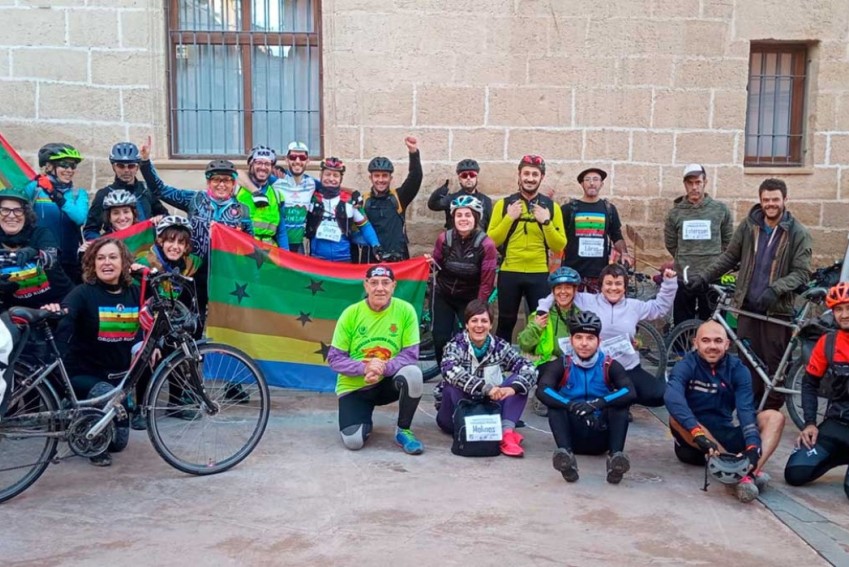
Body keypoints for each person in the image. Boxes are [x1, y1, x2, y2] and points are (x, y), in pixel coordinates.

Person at [688, 178, 812, 411]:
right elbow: (729, 257)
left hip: (776, 310)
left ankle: (770, 413)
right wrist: (704, 276)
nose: (770, 204)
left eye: (775, 199)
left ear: (785, 200)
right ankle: (750, 411)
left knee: (773, 368)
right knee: (748, 364)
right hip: (747, 306)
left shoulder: (798, 233)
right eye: (766, 200)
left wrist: (776, 289)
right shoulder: (749, 226)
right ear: (760, 200)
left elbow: (802, 273)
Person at [42, 239, 142, 467]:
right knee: (105, 395)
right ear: (92, 264)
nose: (107, 262)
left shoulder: (136, 292)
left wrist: (147, 344)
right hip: (83, 374)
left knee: (118, 443)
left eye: (113, 257)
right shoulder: (83, 293)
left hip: (118, 379)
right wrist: (54, 311)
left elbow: (148, 322)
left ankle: (89, 416)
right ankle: (76, 414)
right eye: (100, 258)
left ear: (124, 262)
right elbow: (65, 314)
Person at [665, 320, 785, 502]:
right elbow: (672, 397)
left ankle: (748, 473)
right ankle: (733, 470)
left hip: (726, 436)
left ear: (727, 344)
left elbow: (745, 411)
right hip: (694, 442)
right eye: (706, 341)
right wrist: (698, 433)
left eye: (718, 341)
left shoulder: (738, 369)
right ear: (695, 343)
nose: (712, 346)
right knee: (675, 417)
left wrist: (753, 446)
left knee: (774, 417)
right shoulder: (685, 365)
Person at [138, 138, 253, 321]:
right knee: (194, 317)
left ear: (233, 184)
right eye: (216, 179)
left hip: (225, 273)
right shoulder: (194, 199)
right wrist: (145, 162)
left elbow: (251, 247)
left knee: (224, 318)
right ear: (208, 182)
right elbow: (161, 191)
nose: (221, 184)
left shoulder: (242, 211)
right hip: (193, 269)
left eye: (226, 180)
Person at [539, 263, 674, 407]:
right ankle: (613, 400)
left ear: (624, 287)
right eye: (608, 283)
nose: (613, 288)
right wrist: (542, 309)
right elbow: (561, 293)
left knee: (658, 395)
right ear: (601, 286)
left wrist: (669, 283)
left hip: (627, 367)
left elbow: (659, 308)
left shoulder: (634, 306)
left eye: (618, 284)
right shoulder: (588, 300)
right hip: (596, 367)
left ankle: (618, 398)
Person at [327, 265, 425, 454]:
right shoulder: (351, 313)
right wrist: (365, 368)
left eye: (385, 283)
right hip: (355, 387)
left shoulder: (406, 311)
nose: (380, 288)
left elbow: (410, 354)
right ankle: (363, 419)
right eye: (374, 283)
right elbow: (335, 359)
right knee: (353, 442)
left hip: (387, 382)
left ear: (393, 286)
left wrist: (382, 368)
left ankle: (403, 430)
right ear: (366, 285)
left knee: (413, 374)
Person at [536, 311, 636, 484]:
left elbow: (630, 391)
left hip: (601, 433)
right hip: (572, 435)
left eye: (590, 338)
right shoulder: (562, 364)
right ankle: (566, 459)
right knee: (555, 406)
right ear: (571, 340)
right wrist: (570, 405)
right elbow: (543, 390)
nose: (584, 343)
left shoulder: (609, 365)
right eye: (579, 337)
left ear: (599, 341)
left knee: (620, 406)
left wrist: (599, 403)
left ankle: (615, 460)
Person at [437, 299, 537, 457]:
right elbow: (449, 370)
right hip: (457, 413)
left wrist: (512, 389)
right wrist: (486, 388)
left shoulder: (500, 346)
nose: (479, 325)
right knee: (452, 384)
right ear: (467, 324)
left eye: (484, 321)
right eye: (474, 320)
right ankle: (474, 430)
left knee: (520, 382)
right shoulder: (455, 345)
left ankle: (506, 434)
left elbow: (529, 368)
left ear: (491, 325)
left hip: (490, 411)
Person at [130, 215, 203, 430]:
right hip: (143, 322)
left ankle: (176, 401)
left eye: (181, 242)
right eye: (170, 241)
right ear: (160, 241)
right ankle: (141, 406)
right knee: (149, 353)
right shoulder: (144, 263)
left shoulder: (191, 264)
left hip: (170, 321)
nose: (175, 247)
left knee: (182, 348)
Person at [488, 155, 566, 342]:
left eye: (535, 174)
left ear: (541, 177)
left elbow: (560, 245)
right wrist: (509, 218)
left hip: (538, 273)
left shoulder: (551, 208)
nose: (530, 178)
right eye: (526, 173)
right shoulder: (504, 204)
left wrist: (546, 222)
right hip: (509, 272)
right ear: (519, 175)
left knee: (539, 322)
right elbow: (491, 241)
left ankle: (539, 366)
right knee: (506, 321)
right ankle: (500, 365)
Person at [784, 282, 849, 499]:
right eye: (839, 309)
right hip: (836, 424)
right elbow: (809, 383)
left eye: (848, 308)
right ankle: (839, 455)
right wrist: (810, 423)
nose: (844, 314)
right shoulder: (827, 343)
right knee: (795, 473)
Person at [430, 195, 498, 368]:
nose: (463, 219)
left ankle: (468, 374)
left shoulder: (486, 245)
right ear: (453, 218)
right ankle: (445, 376)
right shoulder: (444, 239)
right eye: (459, 215)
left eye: (468, 215)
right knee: (440, 339)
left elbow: (487, 281)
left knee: (471, 339)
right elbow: (435, 265)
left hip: (470, 298)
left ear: (475, 217)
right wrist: (427, 264)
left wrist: (479, 307)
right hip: (444, 294)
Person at [664, 164, 733, 326]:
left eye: (698, 182)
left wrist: (714, 263)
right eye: (690, 183)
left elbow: (728, 242)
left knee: (712, 322)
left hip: (713, 277)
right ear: (685, 185)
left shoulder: (720, 210)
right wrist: (686, 258)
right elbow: (671, 243)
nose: (694, 187)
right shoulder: (675, 213)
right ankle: (681, 350)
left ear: (705, 182)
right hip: (685, 276)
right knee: (683, 323)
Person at [25, 143, 89, 283]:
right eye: (64, 165)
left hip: (69, 261)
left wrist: (54, 194)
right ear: (48, 166)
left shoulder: (78, 194)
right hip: (40, 258)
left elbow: (79, 218)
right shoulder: (34, 189)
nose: (69, 170)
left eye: (73, 166)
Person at [0, 188, 73, 309]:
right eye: (5, 210)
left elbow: (52, 257)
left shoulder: (40, 233)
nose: (11, 216)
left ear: (26, 214)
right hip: (15, 311)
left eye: (18, 210)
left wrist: (35, 252)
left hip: (57, 303)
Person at [561, 167, 631, 292]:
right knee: (573, 310)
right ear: (582, 184)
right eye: (587, 180)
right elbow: (559, 235)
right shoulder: (569, 209)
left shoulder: (609, 209)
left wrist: (624, 253)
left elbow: (616, 235)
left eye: (595, 179)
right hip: (573, 271)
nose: (592, 183)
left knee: (598, 309)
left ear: (601, 184)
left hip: (599, 272)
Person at [83, 142, 168, 241]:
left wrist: (160, 218)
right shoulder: (104, 194)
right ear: (114, 167)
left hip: (144, 247)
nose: (126, 170)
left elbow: (165, 216)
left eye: (131, 166)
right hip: (115, 248)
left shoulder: (145, 190)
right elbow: (90, 229)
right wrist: (103, 244)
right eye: (121, 166)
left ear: (137, 167)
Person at [358, 136, 423, 263]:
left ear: (390, 178)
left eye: (384, 176)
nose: (381, 180)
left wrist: (413, 152)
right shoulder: (363, 200)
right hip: (371, 258)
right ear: (370, 178)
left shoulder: (399, 197)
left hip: (397, 257)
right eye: (376, 176)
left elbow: (416, 177)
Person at [305, 157, 382, 262]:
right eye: (327, 174)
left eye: (335, 175)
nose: (331, 179)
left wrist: (375, 245)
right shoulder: (311, 197)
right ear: (321, 176)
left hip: (343, 259)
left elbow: (365, 226)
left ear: (341, 179)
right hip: (317, 259)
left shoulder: (350, 201)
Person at [518, 266, 581, 366]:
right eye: (559, 288)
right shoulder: (542, 314)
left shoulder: (581, 315)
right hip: (547, 364)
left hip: (575, 364)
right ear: (553, 291)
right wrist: (535, 327)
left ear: (575, 290)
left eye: (568, 288)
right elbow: (524, 345)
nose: (563, 292)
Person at [271, 141, 319, 253]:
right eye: (293, 157)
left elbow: (332, 186)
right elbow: (240, 176)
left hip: (298, 245)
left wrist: (353, 192)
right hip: (276, 242)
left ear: (308, 160)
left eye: (302, 157)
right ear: (286, 159)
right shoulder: (276, 179)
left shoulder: (311, 183)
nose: (297, 161)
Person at [235, 145, 287, 247]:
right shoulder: (237, 189)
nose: (263, 167)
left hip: (269, 254)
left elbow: (281, 232)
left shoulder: (277, 195)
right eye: (258, 163)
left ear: (272, 167)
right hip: (243, 252)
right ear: (251, 164)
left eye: (267, 164)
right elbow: (235, 173)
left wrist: (287, 259)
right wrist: (255, 191)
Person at [427, 159, 493, 231]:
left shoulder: (486, 200)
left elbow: (490, 226)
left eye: (472, 175)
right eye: (464, 175)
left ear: (477, 178)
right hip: (455, 240)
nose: (468, 178)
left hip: (478, 240)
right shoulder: (451, 199)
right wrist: (443, 189)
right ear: (459, 179)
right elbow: (432, 205)